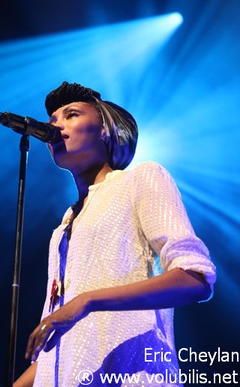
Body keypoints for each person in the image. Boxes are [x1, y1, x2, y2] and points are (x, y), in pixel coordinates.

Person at [14, 81, 216, 387]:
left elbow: (195, 278)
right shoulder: (64, 227)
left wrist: (87, 301)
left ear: (105, 129)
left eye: (71, 115)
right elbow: (60, 346)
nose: (54, 126)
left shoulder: (140, 179)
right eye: (53, 120)